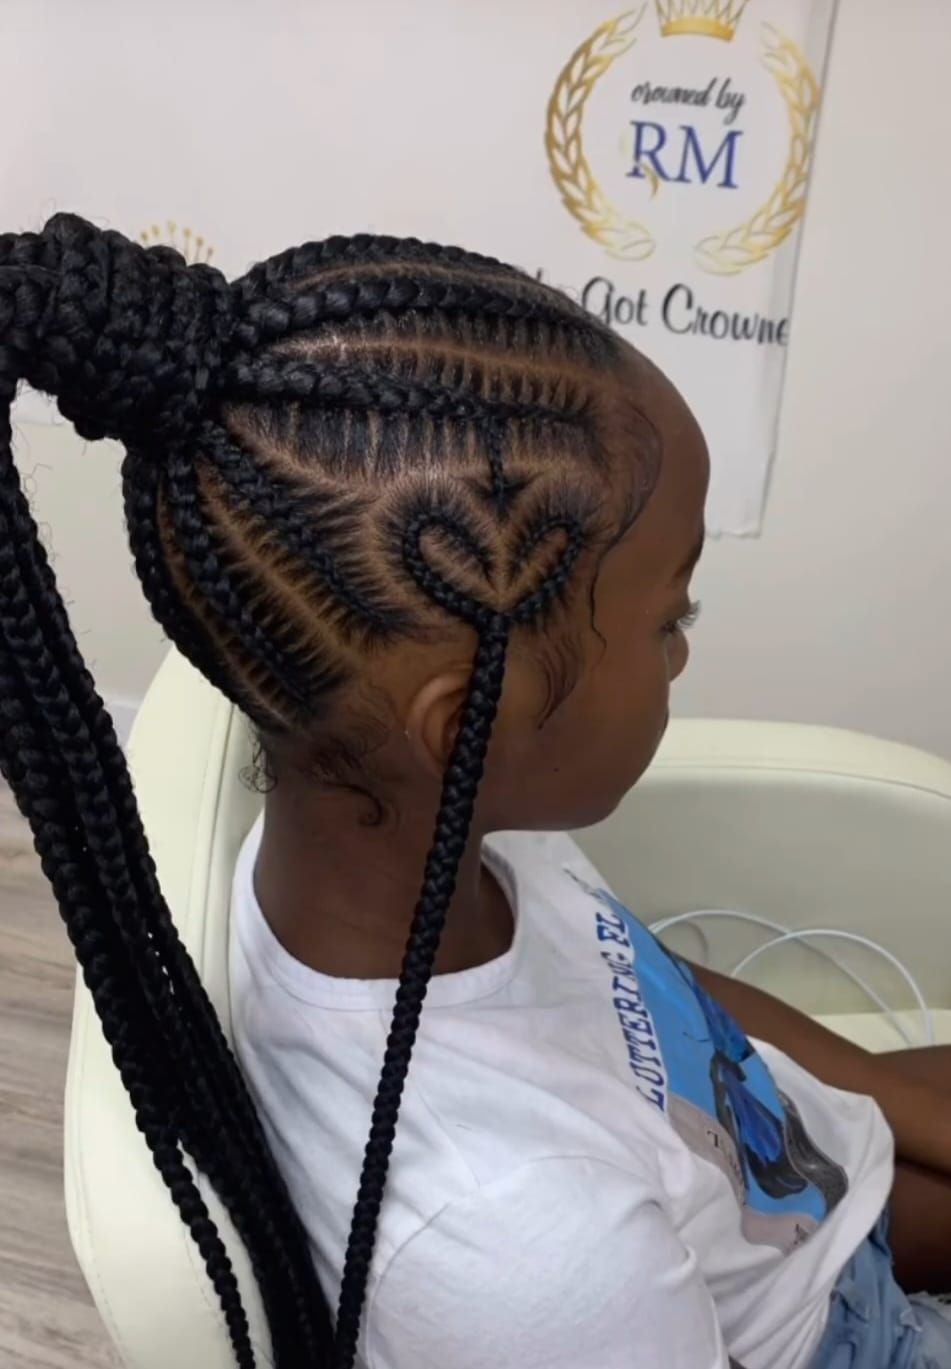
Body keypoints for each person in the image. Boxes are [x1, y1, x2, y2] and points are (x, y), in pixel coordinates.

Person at [0, 214, 948, 1369]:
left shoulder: (441, 841)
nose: (683, 655)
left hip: (804, 1203)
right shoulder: (525, 1247)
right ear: (471, 724)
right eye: (670, 619)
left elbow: (654, 994)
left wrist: (912, 1122)